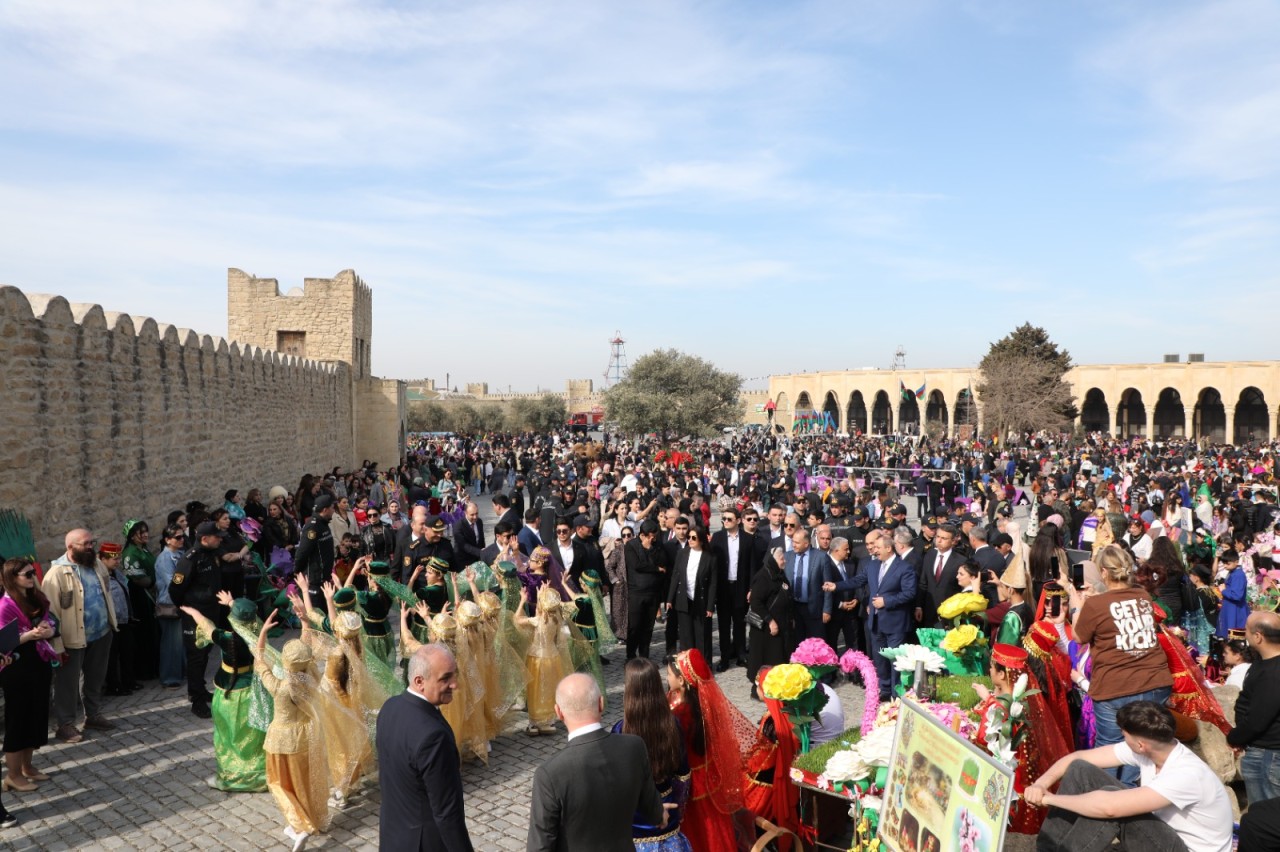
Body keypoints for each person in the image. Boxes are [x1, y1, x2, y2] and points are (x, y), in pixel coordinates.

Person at [1027, 701, 1232, 852]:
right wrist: (1040, 784)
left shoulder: (1187, 774)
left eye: (1124, 735)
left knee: (1113, 802)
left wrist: (1048, 799)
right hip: (1164, 835)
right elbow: (1078, 758)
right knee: (1081, 769)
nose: (1122, 739)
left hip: (1187, 849)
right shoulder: (1152, 748)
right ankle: (1047, 848)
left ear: (1141, 745)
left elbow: (1109, 808)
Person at [528, 672, 668, 852]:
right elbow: (653, 809)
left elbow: (540, 846)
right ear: (601, 703)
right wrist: (660, 814)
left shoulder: (550, 774)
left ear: (559, 712)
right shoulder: (634, 747)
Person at [1070, 544, 1172, 785]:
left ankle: (1110, 800)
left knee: (1110, 748)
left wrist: (1078, 604)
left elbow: (1078, 636)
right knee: (1141, 745)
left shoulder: (1095, 605)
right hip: (1154, 681)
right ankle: (1130, 794)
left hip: (1115, 687)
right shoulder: (1143, 596)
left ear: (1104, 573)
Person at [376, 643, 474, 852]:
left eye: (454, 675)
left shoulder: (389, 707)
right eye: (445, 678)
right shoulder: (434, 736)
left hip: (393, 836)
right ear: (419, 681)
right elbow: (447, 812)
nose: (455, 684)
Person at [178, 593, 268, 793]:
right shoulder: (258, 636)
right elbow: (251, 618)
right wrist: (232, 603)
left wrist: (194, 612)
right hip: (250, 690)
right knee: (253, 734)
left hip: (227, 692)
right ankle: (259, 774)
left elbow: (207, 626)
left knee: (227, 735)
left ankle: (231, 775)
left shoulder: (227, 639)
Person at [667, 650, 754, 852]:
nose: (666, 677)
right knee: (715, 827)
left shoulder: (681, 714)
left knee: (700, 828)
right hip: (709, 775)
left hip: (690, 782)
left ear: (682, 681)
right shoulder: (702, 704)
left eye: (670, 675)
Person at [822, 527, 918, 703]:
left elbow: (910, 593)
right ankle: (885, 689)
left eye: (878, 547)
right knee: (880, 659)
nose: (874, 550)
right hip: (876, 622)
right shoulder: (872, 565)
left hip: (895, 622)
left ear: (889, 548)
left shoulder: (904, 568)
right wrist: (837, 586)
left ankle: (897, 693)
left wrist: (886, 601)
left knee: (895, 660)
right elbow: (857, 581)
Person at [43, 528, 118, 742]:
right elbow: (51, 614)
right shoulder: (56, 574)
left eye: (91, 543)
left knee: (95, 677)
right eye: (85, 544)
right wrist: (57, 645)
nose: (90, 547)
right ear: (70, 547)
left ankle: (93, 715)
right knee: (67, 682)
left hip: (101, 632)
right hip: (72, 639)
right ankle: (65, 724)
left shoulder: (96, 564)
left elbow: (106, 593)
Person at [610, 658, 693, 852]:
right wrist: (678, 810)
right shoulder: (672, 725)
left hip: (635, 814)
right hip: (668, 807)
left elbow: (616, 783)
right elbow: (683, 775)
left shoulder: (620, 730)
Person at [0, 558, 56, 793]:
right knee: (18, 719)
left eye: (33, 572)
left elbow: (51, 621)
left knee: (35, 715)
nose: (32, 577)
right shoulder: (4, 605)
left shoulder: (36, 597)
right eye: (27, 574)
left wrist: (48, 630)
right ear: (13, 578)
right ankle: (12, 775)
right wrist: (29, 635)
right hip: (16, 667)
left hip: (38, 662)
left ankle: (27, 767)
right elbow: (2, 641)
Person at [169, 521, 225, 719]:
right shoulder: (189, 559)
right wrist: (187, 607)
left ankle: (201, 689)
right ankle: (196, 700)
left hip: (211, 612)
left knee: (205, 653)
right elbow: (175, 588)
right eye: (216, 536)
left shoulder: (211, 554)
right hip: (196, 615)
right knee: (196, 655)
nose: (220, 539)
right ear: (204, 539)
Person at [1228, 611, 1280, 805]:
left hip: (1268, 755)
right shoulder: (1263, 663)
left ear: (1258, 636)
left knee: (1266, 816)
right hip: (1263, 750)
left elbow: (1259, 719)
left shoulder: (1274, 672)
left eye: (1247, 631)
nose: (1244, 635)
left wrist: (1234, 737)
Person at [747, 547, 793, 699]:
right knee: (763, 661)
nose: (784, 561)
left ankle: (776, 690)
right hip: (765, 630)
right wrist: (770, 621)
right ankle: (760, 691)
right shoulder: (763, 576)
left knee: (778, 659)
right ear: (773, 560)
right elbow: (756, 602)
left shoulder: (779, 574)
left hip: (780, 627)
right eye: (781, 559)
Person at [666, 527, 717, 661]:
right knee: (686, 635)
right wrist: (670, 598)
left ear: (701, 539)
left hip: (701, 601)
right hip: (684, 599)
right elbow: (675, 576)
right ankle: (687, 665)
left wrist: (710, 606)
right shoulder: (682, 553)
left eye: (694, 537)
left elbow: (713, 583)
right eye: (689, 537)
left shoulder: (710, 558)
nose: (690, 540)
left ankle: (704, 665)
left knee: (702, 635)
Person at [625, 519, 670, 660]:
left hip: (653, 592)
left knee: (648, 628)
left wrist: (650, 550)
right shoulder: (631, 546)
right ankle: (631, 657)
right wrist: (655, 568)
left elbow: (663, 563)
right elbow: (638, 565)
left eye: (654, 536)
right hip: (636, 593)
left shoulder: (657, 545)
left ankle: (645, 657)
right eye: (651, 536)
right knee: (634, 627)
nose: (653, 539)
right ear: (643, 535)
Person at [153, 524, 187, 689]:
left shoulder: (180, 554)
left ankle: (180, 672)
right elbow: (174, 582)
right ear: (167, 540)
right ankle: (170, 677)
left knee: (179, 641)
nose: (181, 540)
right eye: (178, 537)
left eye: (182, 537)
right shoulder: (165, 559)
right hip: (170, 604)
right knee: (171, 643)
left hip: (180, 602)